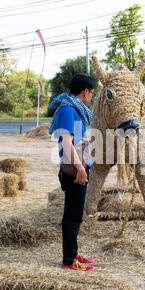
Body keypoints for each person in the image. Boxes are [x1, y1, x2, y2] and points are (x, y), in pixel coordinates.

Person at [48, 74, 97, 271]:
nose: (91, 97)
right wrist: (80, 169)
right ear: (85, 91)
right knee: (72, 217)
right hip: (74, 171)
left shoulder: (75, 110)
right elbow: (67, 143)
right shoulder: (68, 110)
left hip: (80, 167)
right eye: (91, 93)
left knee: (75, 215)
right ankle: (69, 260)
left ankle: (74, 253)